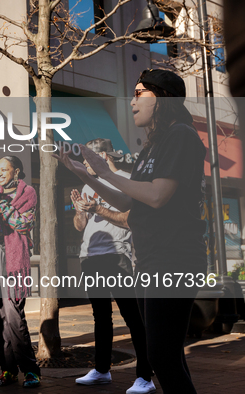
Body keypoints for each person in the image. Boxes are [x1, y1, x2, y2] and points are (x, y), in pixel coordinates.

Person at [55, 69, 207, 394]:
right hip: (150, 261)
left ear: (162, 98)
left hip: (175, 259)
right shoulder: (151, 146)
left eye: (140, 93)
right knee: (165, 355)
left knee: (162, 355)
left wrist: (103, 170)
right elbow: (128, 201)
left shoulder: (180, 135)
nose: (132, 101)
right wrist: (86, 173)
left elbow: (156, 195)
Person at [70, 139, 154, 394]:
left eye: (88, 159)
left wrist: (98, 209)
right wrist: (80, 213)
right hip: (90, 257)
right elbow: (80, 226)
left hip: (117, 256)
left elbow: (130, 221)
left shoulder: (125, 179)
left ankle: (145, 376)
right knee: (100, 317)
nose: (85, 164)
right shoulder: (87, 185)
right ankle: (102, 370)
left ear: (103, 156)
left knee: (133, 317)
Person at [0, 156, 41, 389]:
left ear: (17, 171)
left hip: (13, 258)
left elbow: (23, 224)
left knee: (14, 316)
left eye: (4, 169)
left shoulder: (27, 192)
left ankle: (30, 370)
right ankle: (8, 369)